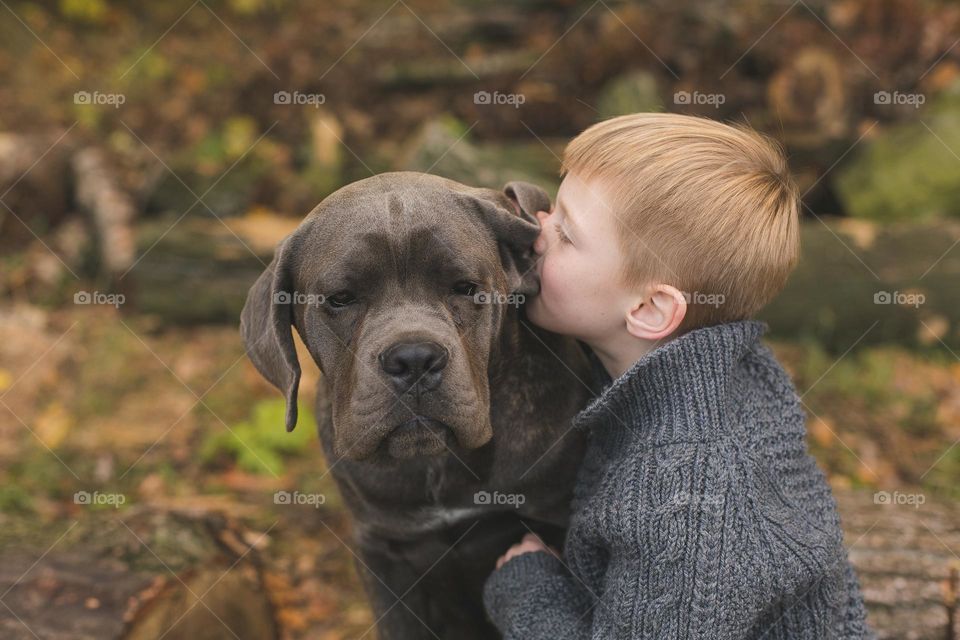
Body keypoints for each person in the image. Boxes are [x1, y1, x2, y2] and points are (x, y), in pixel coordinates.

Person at [482, 112, 874, 639]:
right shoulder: (717, 372)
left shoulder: (685, 503)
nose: (537, 230)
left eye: (568, 234)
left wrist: (530, 592)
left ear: (648, 309)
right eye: (554, 205)